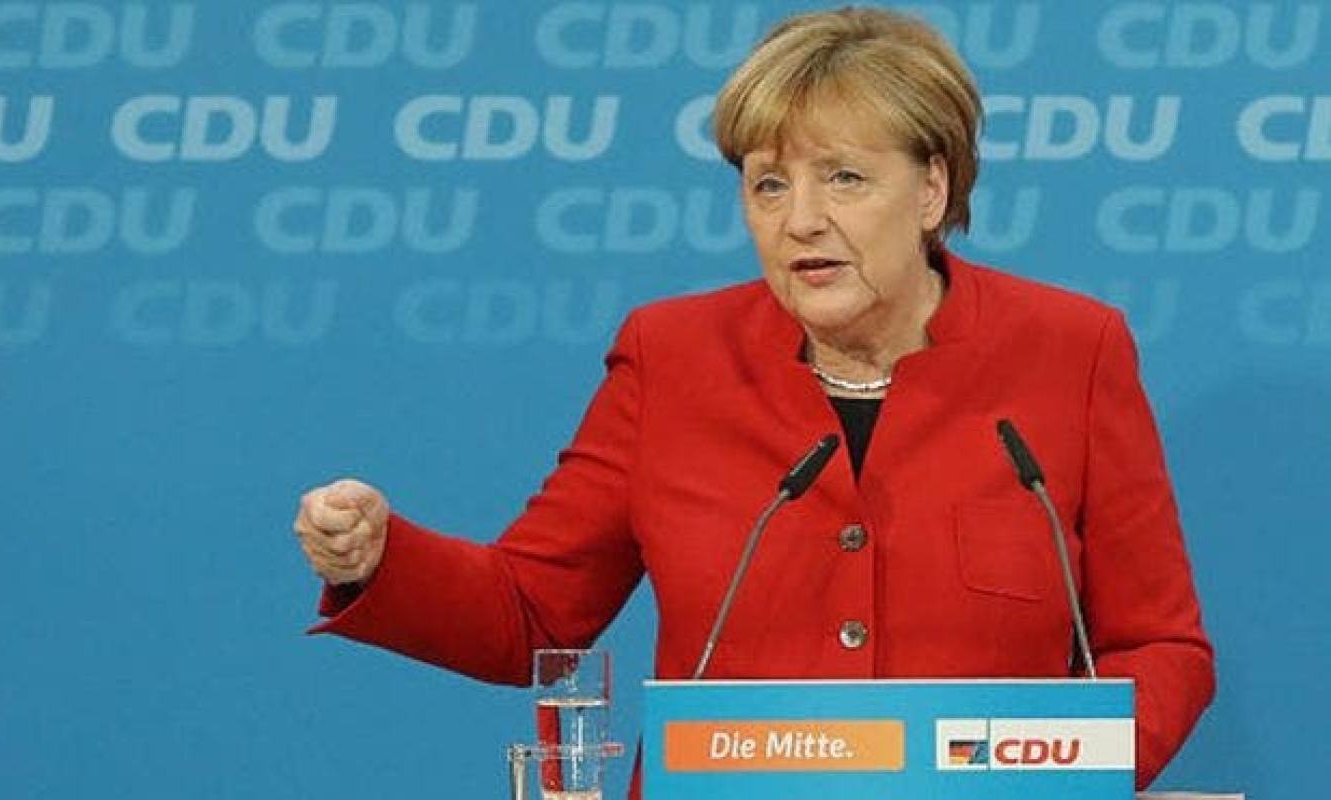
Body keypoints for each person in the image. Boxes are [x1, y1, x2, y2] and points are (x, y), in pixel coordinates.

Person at [293, 6, 1214, 794]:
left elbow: (1158, 646)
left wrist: (1065, 780)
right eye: (768, 183)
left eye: (843, 177)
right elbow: (533, 610)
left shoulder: (1068, 351)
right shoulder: (672, 358)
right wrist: (378, 558)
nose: (799, 219)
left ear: (931, 188)